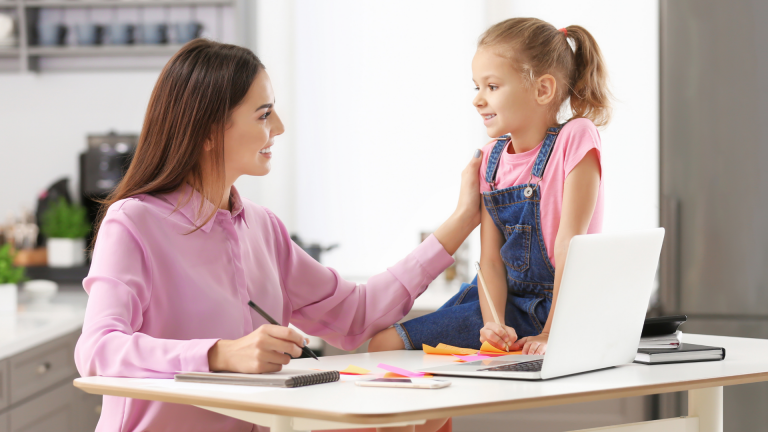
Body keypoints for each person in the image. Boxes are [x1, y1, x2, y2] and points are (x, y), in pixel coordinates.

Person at [74, 39, 480, 432]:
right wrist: (219, 354)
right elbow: (97, 350)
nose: (280, 127)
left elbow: (355, 315)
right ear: (210, 131)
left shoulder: (262, 227)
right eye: (264, 114)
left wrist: (462, 220)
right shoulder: (133, 222)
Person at [370, 17, 611, 356]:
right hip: (499, 302)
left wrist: (552, 332)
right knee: (384, 344)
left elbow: (570, 245)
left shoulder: (576, 138)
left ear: (543, 90)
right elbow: (492, 263)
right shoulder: (490, 160)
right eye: (476, 87)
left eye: (492, 87)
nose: (478, 100)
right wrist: (494, 324)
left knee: (388, 347)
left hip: (556, 306)